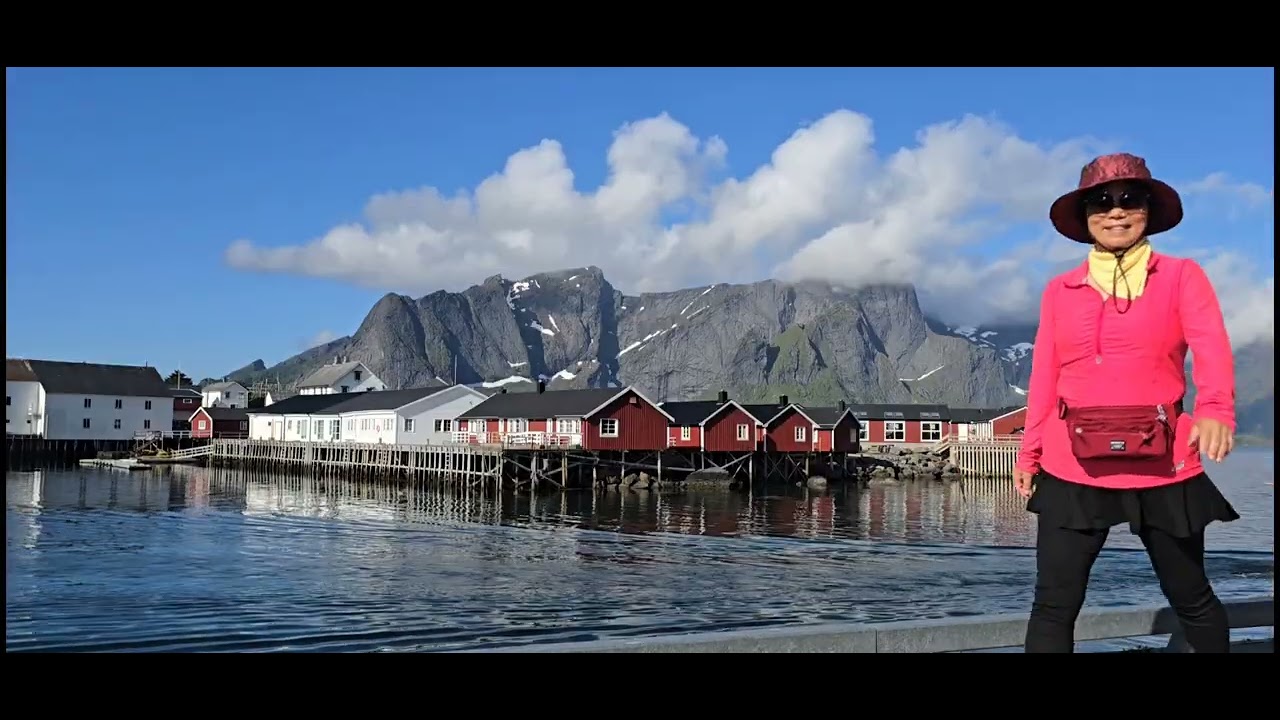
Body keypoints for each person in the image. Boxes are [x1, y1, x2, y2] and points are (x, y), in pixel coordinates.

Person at [1012, 152, 1241, 653]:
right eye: (1101, 201)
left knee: (1192, 598)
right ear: (1086, 215)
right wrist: (1028, 455)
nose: (1115, 211)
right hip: (1070, 468)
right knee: (1053, 605)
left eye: (1129, 199)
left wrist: (1216, 410)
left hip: (1165, 465)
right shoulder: (1059, 291)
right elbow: (1044, 378)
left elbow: (1212, 350)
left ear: (1148, 210)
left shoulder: (1183, 276)